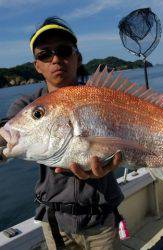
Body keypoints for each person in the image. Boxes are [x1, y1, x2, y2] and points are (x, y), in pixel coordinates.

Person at [0, 17, 124, 250]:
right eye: (45, 54)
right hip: (55, 221)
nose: (56, 59)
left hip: (102, 219)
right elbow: (5, 136)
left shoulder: (105, 97)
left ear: (77, 58)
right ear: (37, 65)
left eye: (64, 51)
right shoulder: (27, 105)